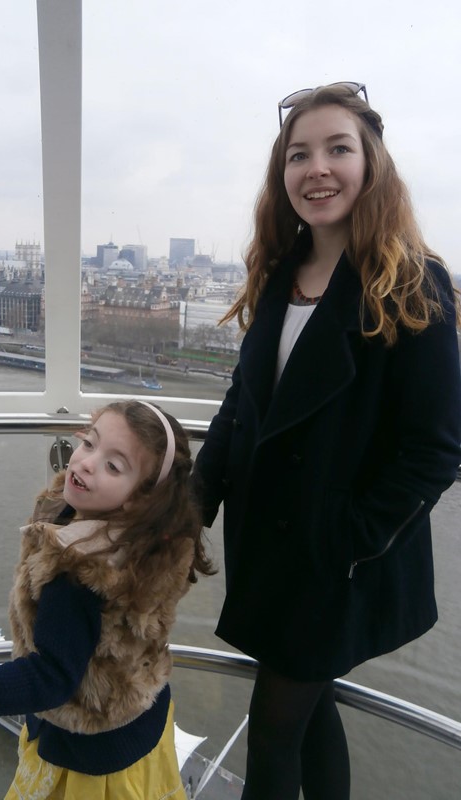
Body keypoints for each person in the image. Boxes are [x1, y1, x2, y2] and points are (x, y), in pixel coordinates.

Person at [192, 82, 461, 800]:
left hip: (333, 564)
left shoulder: (412, 283)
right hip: (272, 546)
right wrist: (193, 503)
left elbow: (435, 446)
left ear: (371, 164)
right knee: (310, 722)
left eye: (338, 148)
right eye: (298, 154)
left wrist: (350, 539)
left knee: (273, 735)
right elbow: (243, 409)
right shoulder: (279, 273)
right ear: (281, 178)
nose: (317, 168)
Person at [0, 399, 215, 800]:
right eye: (89, 444)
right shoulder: (154, 545)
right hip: (142, 723)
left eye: (113, 466)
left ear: (140, 498)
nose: (85, 463)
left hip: (85, 762)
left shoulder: (77, 572)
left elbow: (51, 677)